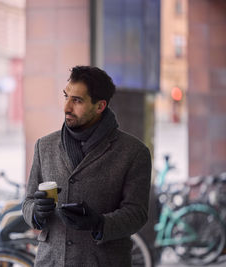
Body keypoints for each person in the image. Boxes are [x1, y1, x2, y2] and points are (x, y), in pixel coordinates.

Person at [22, 66, 152, 266]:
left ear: (100, 106)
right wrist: (36, 212)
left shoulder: (134, 152)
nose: (66, 107)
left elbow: (137, 213)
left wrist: (99, 223)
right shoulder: (44, 146)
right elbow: (28, 201)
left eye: (77, 100)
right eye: (66, 96)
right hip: (52, 261)